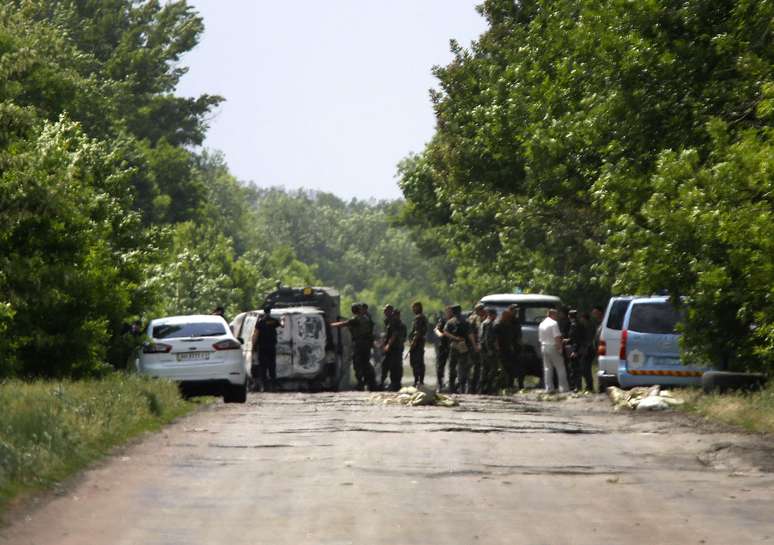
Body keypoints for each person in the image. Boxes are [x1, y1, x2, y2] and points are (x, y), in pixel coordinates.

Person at [331, 303, 377, 391]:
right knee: (366, 363)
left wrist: (330, 325)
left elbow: (343, 324)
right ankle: (371, 383)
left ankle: (361, 383)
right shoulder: (366, 318)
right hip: (366, 345)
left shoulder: (356, 319)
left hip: (360, 345)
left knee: (358, 364)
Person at [442, 305, 476, 394]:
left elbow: (445, 333)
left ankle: (452, 387)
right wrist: (474, 345)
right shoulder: (466, 322)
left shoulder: (450, 322)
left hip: (454, 345)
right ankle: (462, 387)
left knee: (452, 366)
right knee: (463, 366)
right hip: (463, 346)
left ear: (453, 312)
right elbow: (470, 334)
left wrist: (455, 338)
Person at [251, 306, 281, 392]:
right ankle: (273, 387)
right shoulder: (273, 321)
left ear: (264, 312)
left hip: (262, 348)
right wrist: (283, 319)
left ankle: (264, 387)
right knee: (272, 367)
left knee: (263, 367)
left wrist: (253, 346)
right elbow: (282, 325)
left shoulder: (260, 322)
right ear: (270, 312)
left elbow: (255, 335)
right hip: (271, 347)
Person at [493, 307, 524, 390]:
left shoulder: (513, 321)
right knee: (505, 369)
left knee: (516, 367)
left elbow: (516, 335)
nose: (515, 313)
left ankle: (514, 385)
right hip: (504, 349)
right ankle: (504, 386)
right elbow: (496, 339)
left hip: (513, 348)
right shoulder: (499, 324)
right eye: (513, 311)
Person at [539, 308, 569, 392]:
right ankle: (563, 388)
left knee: (547, 368)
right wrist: (560, 348)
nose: (557, 317)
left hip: (544, 346)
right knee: (560, 367)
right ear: (552, 314)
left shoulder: (542, 324)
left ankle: (549, 388)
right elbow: (557, 337)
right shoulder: (553, 323)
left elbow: (540, 338)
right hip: (553, 346)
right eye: (556, 315)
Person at [565, 309, 587, 391]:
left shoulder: (575, 325)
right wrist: (568, 340)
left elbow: (577, 339)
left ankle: (576, 386)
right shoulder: (576, 324)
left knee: (575, 368)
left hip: (576, 349)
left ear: (569, 316)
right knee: (574, 368)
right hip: (577, 348)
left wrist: (575, 351)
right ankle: (576, 386)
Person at [467, 303, 486, 393]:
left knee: (479, 367)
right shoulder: (473, 319)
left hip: (479, 346)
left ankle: (477, 388)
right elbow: (470, 333)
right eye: (481, 309)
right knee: (474, 367)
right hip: (473, 346)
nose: (483, 311)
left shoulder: (481, 318)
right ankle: (471, 388)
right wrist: (475, 345)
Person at [478, 308, 498, 394]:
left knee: (485, 369)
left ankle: (482, 388)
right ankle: (487, 388)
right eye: (495, 315)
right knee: (492, 369)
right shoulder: (489, 324)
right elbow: (487, 338)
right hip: (488, 350)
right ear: (492, 315)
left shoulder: (484, 323)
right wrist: (490, 349)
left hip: (484, 349)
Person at [409, 302, 428, 386]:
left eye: (414, 307)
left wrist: (413, 342)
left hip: (417, 343)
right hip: (420, 343)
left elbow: (417, 331)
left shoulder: (418, 318)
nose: (412, 309)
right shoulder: (422, 317)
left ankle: (417, 381)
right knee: (419, 362)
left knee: (416, 362)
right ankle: (420, 381)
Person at [433, 312, 450, 391]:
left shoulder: (456, 321)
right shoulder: (443, 320)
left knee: (453, 367)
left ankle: (451, 384)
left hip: (453, 346)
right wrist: (440, 334)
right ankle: (440, 384)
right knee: (440, 366)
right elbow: (436, 329)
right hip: (443, 346)